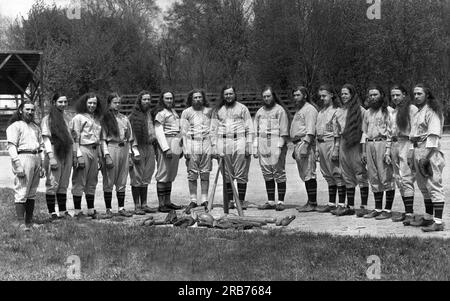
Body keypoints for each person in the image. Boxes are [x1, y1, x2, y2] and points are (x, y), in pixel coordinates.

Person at [408, 84, 445, 232]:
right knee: (423, 187)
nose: (416, 96)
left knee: (434, 185)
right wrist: (411, 153)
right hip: (418, 149)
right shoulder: (417, 112)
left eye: (419, 93)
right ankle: (428, 217)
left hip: (430, 152)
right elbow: (413, 136)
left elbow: (433, 136)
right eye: (415, 94)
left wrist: (426, 157)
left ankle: (438, 222)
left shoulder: (432, 111)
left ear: (427, 95)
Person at [211, 85, 254, 210]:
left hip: (239, 139)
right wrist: (214, 146)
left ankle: (240, 200)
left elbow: (249, 128)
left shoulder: (242, 108)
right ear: (223, 95)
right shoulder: (218, 109)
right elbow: (213, 129)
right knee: (226, 172)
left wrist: (249, 145)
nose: (228, 96)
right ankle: (229, 201)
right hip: (223, 140)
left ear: (235, 94)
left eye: (230, 94)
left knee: (241, 172)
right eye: (226, 94)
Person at [7, 100, 45, 231]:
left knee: (32, 192)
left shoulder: (36, 127)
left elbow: (40, 147)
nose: (30, 112)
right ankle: (20, 223)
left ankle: (29, 221)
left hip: (35, 157)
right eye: (27, 109)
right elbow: (11, 146)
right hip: (23, 157)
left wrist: (42, 165)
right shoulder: (15, 126)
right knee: (22, 190)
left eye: (32, 110)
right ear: (20, 110)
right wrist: (17, 164)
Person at [333, 84, 369, 216]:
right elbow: (336, 133)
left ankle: (363, 206)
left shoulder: (361, 111)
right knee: (346, 174)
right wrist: (336, 149)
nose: (343, 96)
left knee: (360, 173)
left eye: (346, 94)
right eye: (342, 94)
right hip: (344, 143)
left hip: (356, 143)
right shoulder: (338, 111)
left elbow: (365, 131)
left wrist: (364, 149)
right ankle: (350, 206)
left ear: (352, 95)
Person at [361, 85, 396, 220]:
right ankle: (377, 208)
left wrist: (388, 151)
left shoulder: (389, 111)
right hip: (370, 144)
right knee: (373, 177)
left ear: (381, 94)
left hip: (383, 143)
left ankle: (387, 209)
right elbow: (364, 132)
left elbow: (391, 133)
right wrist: (363, 151)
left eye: (375, 94)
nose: (373, 97)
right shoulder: (368, 112)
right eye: (370, 95)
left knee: (385, 176)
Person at [254, 86, 290, 211]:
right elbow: (256, 130)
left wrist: (280, 146)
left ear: (273, 96)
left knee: (278, 171)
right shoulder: (260, 112)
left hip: (275, 141)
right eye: (264, 96)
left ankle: (280, 201)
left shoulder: (280, 110)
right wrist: (255, 146)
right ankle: (270, 201)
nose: (266, 98)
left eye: (268, 96)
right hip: (263, 142)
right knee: (267, 172)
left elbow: (284, 130)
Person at [100, 93, 135, 218]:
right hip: (111, 147)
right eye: (115, 102)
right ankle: (108, 208)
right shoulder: (105, 119)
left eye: (119, 102)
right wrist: (107, 155)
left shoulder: (124, 118)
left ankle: (121, 208)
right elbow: (102, 139)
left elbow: (129, 138)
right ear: (109, 103)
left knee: (122, 179)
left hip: (123, 148)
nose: (118, 104)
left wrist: (130, 154)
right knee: (109, 179)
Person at [70, 92, 103, 219]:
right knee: (79, 180)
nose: (92, 105)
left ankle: (90, 209)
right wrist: (78, 155)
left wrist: (99, 155)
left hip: (94, 149)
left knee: (92, 180)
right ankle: (77, 211)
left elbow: (99, 138)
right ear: (85, 103)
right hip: (83, 148)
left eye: (94, 103)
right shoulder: (78, 118)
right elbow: (75, 138)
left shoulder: (96, 118)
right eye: (90, 102)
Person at [314, 85, 347, 213]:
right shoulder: (320, 112)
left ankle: (342, 203)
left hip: (331, 142)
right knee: (327, 174)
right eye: (320, 96)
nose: (322, 98)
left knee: (337, 173)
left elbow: (337, 133)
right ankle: (331, 203)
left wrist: (336, 149)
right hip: (321, 143)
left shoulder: (337, 111)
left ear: (331, 95)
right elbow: (317, 133)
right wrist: (317, 149)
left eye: (324, 96)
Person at [41, 93, 73, 220]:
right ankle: (51, 212)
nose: (63, 104)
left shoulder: (68, 117)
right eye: (60, 102)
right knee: (53, 182)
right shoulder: (48, 119)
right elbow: (46, 139)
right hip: (54, 150)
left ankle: (63, 211)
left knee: (64, 182)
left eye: (65, 102)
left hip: (67, 150)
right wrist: (51, 156)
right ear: (54, 102)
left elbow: (73, 137)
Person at [389, 85, 418, 224]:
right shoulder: (394, 111)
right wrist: (389, 149)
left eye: (398, 95)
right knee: (398, 179)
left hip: (406, 143)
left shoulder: (411, 109)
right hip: (395, 144)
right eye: (393, 95)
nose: (395, 98)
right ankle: (406, 211)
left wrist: (412, 148)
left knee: (406, 178)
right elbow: (390, 131)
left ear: (404, 95)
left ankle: (410, 214)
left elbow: (415, 130)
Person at [181, 89, 213, 213]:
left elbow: (213, 129)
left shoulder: (209, 111)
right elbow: (183, 132)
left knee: (205, 172)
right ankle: (193, 200)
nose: (198, 99)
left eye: (200, 97)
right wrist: (185, 148)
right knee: (192, 173)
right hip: (192, 142)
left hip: (206, 142)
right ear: (191, 99)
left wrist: (214, 147)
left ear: (203, 98)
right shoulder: (186, 112)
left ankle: (204, 199)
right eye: (195, 97)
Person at [153, 91, 183, 212]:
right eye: (167, 98)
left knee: (171, 173)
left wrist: (180, 147)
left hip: (175, 142)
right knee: (163, 173)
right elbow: (159, 131)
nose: (169, 100)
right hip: (166, 141)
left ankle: (168, 201)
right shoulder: (161, 113)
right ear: (162, 99)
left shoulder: (174, 112)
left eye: (171, 98)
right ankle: (161, 204)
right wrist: (166, 148)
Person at [129, 91, 158, 215]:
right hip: (138, 147)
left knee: (146, 176)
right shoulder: (133, 116)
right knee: (137, 177)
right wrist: (134, 151)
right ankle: (137, 205)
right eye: (144, 99)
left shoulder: (150, 114)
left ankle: (144, 204)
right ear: (139, 100)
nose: (147, 101)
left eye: (148, 99)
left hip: (149, 146)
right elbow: (131, 135)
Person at [290, 86, 319, 212]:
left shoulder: (309, 109)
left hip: (305, 142)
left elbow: (311, 130)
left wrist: (306, 145)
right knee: (304, 174)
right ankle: (309, 201)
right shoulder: (300, 109)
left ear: (305, 95)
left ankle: (313, 203)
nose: (296, 97)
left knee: (309, 173)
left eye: (298, 95)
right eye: (294, 95)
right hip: (298, 143)